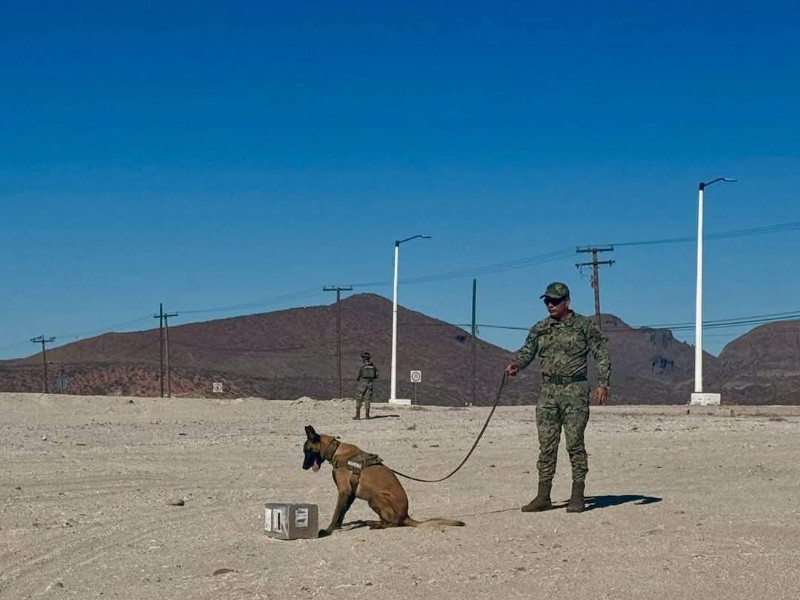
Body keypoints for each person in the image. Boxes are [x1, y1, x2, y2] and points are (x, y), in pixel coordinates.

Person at [504, 282, 610, 513]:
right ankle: (543, 496)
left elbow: (601, 352)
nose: (550, 305)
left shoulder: (584, 326)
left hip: (575, 392)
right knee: (547, 445)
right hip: (548, 392)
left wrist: (603, 383)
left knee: (574, 444)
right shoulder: (540, 328)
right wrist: (516, 365)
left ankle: (577, 495)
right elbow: (527, 351)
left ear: (566, 301)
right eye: (547, 301)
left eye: (555, 301)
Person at [354, 351, 378, 420]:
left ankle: (357, 416)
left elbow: (358, 376)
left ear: (363, 358)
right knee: (367, 399)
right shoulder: (373, 367)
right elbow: (376, 376)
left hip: (362, 383)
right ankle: (367, 416)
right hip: (370, 384)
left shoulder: (361, 367)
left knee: (359, 398)